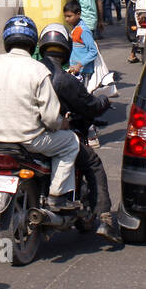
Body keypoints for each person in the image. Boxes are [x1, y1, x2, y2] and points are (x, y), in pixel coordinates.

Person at [0, 16, 80, 210]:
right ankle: (57, 195)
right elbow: (50, 118)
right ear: (33, 43)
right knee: (71, 142)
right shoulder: (38, 70)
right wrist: (62, 124)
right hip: (30, 141)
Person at [37, 23, 123, 244]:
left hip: (24, 136)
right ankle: (105, 219)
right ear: (65, 48)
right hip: (49, 136)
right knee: (93, 163)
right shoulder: (63, 79)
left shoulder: (33, 70)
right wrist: (104, 100)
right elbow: (89, 105)